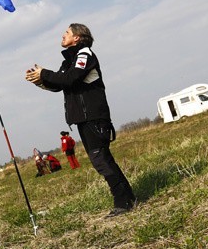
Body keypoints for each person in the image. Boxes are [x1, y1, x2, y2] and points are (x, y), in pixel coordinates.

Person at [25, 23, 136, 218]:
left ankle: (123, 202)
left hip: (93, 116)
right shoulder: (70, 59)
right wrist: (40, 82)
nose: (63, 35)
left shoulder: (84, 54)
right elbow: (60, 82)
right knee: (102, 159)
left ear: (77, 37)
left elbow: (71, 78)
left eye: (67, 32)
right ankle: (128, 198)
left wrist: (44, 73)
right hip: (83, 119)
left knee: (101, 160)